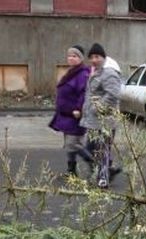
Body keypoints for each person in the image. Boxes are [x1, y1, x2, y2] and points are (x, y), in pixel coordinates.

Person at [80, 43, 122, 189]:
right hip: (93, 121)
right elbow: (91, 94)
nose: (94, 59)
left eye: (97, 56)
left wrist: (98, 108)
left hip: (105, 121)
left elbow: (113, 94)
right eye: (91, 57)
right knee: (89, 150)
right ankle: (102, 173)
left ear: (103, 57)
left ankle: (102, 179)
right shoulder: (95, 72)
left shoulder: (109, 73)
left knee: (102, 151)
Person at [49, 45, 93, 177]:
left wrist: (79, 109)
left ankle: (94, 162)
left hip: (75, 115)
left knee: (73, 143)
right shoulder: (71, 72)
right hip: (66, 114)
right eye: (69, 56)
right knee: (69, 144)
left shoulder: (82, 74)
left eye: (74, 56)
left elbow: (84, 93)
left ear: (80, 58)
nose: (71, 58)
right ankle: (71, 171)